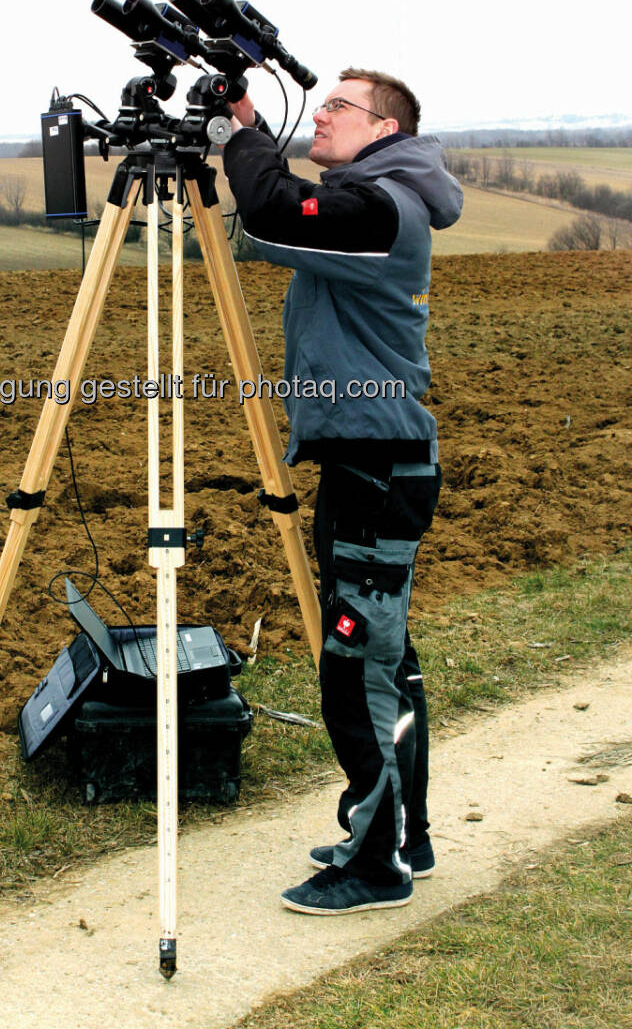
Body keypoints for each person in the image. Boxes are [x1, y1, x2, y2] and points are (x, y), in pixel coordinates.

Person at [223, 68, 463, 915]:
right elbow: (270, 225)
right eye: (318, 101)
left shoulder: (386, 209)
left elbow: (273, 211)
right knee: (386, 662)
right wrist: (246, 122)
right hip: (369, 462)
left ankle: (374, 868)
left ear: (385, 126)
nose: (319, 115)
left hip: (374, 465)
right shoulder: (376, 202)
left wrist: (237, 137)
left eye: (336, 106)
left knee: (357, 666)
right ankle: (408, 834)